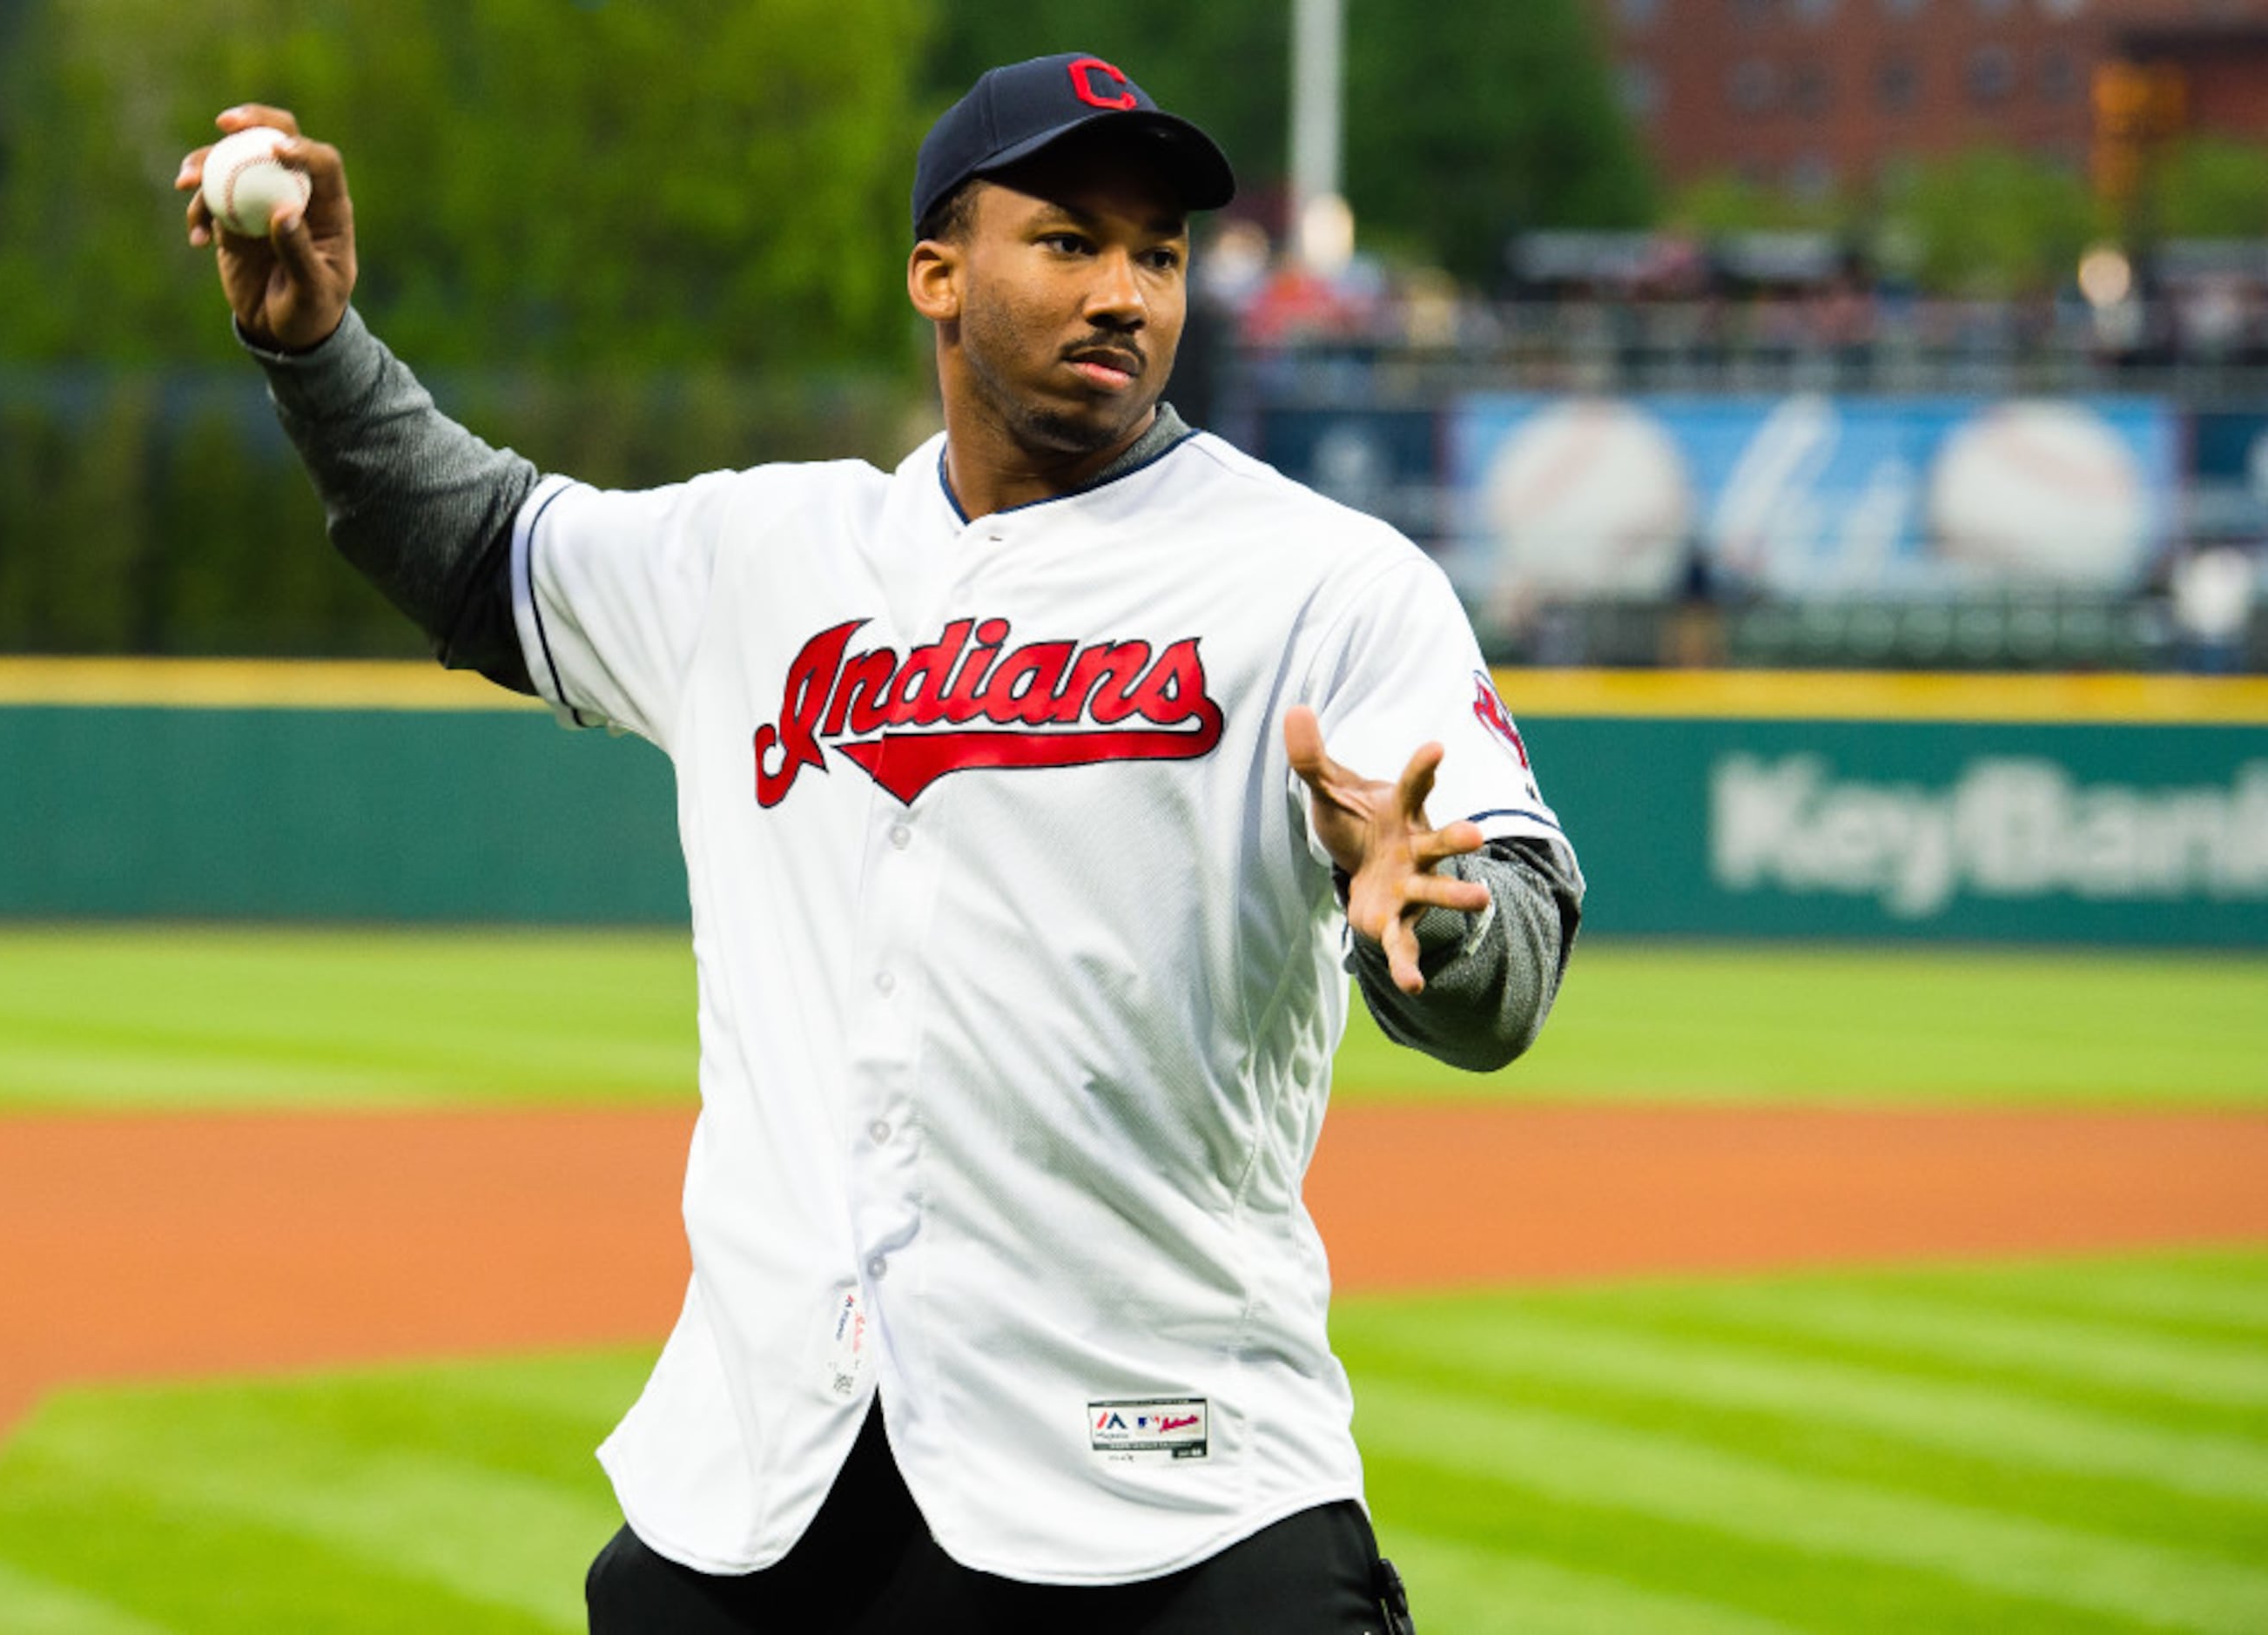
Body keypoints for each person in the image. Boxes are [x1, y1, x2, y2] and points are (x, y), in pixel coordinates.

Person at [178, 51, 1581, 1634]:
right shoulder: (765, 554)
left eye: (1160, 253)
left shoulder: (1324, 580)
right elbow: (470, 541)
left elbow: (1504, 951)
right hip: (770, 1491)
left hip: (1173, 1489)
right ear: (936, 271)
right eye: (1067, 240)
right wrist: (310, 344)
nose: (1124, 290)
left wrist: (1437, 919)